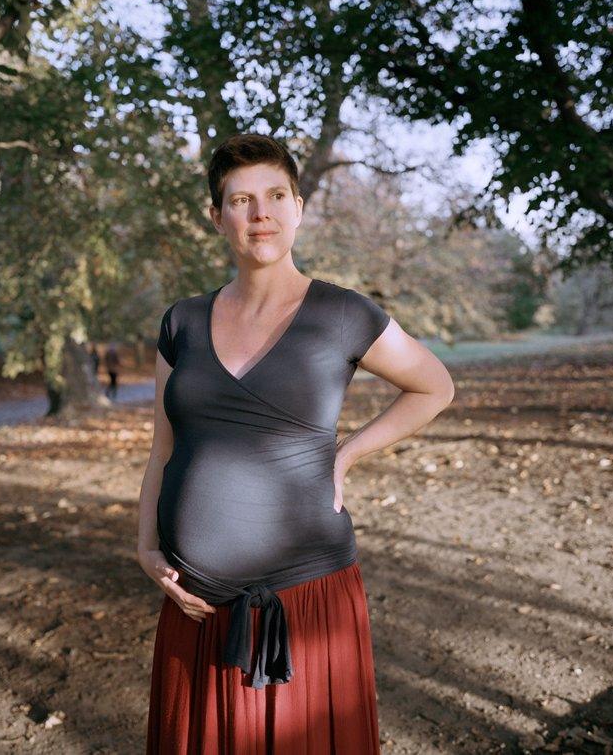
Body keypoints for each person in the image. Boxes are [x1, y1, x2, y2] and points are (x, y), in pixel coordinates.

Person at [138, 133, 456, 752]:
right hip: (197, 608)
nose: (261, 214)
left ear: (300, 208)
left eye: (276, 195)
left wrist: (348, 453)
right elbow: (162, 447)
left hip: (307, 601)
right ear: (216, 216)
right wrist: (146, 546)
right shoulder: (181, 322)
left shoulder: (342, 314)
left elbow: (433, 386)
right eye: (240, 200)